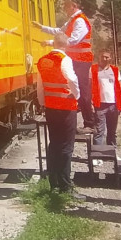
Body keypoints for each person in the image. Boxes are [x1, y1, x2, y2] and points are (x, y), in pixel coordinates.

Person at [34, 0, 95, 131]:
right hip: (77, 59)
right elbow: (60, 32)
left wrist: (51, 42)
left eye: (66, 6)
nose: (64, 9)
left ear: (73, 6)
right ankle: (86, 119)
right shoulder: (73, 20)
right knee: (77, 87)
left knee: (83, 91)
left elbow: (73, 40)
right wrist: (42, 28)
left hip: (82, 60)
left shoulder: (80, 21)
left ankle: (90, 123)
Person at [36, 37, 80, 192]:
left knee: (54, 144)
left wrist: (42, 103)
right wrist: (77, 95)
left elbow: (40, 86)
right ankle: (65, 185)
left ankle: (53, 181)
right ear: (66, 45)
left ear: (54, 43)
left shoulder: (42, 61)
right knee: (66, 146)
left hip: (50, 108)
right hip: (66, 108)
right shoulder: (65, 59)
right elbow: (72, 79)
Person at [91, 48, 121, 147]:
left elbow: (120, 89)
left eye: (107, 57)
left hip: (113, 105)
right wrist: (90, 103)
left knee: (112, 132)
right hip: (100, 105)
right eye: (102, 56)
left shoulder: (115, 70)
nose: (104, 58)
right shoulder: (93, 69)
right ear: (99, 57)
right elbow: (89, 87)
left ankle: (112, 153)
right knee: (99, 132)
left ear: (110, 58)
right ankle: (97, 157)